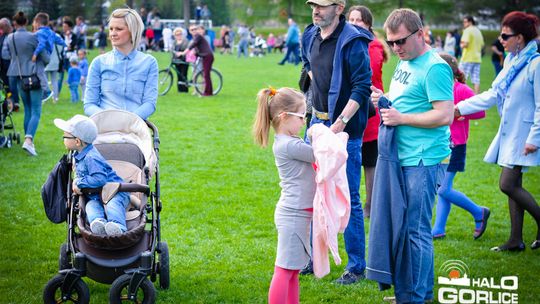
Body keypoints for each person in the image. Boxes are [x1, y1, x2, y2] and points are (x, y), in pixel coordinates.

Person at [368, 8, 453, 303]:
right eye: (391, 43)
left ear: (420, 34)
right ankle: (415, 292)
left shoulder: (435, 67)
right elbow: (410, 102)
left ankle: (414, 296)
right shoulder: (406, 62)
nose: (396, 48)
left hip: (423, 160)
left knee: (416, 231)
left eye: (401, 41)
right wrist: (385, 101)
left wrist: (401, 118)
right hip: (402, 157)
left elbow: (444, 115)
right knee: (405, 229)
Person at [300, 0, 373, 285]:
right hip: (316, 125)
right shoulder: (309, 35)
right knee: (315, 193)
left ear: (338, 7)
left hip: (345, 131)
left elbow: (362, 86)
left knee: (350, 198)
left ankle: (356, 266)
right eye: (313, 6)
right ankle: (313, 258)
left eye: (322, 6)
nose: (316, 11)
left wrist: (340, 121)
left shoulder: (354, 41)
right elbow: (308, 65)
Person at [455, 12, 540, 252]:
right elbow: (493, 94)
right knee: (513, 185)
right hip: (510, 133)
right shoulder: (512, 61)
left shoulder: (535, 64)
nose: (500, 40)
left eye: (505, 35)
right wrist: (459, 108)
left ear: (520, 38)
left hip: (525, 136)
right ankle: (515, 240)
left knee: (508, 184)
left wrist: (534, 139)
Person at [252, 87, 314, 304]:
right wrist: (333, 133)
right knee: (284, 270)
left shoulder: (290, 142)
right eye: (302, 116)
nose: (304, 122)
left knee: (293, 270)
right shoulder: (291, 145)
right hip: (293, 215)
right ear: (284, 117)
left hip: (298, 214)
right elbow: (320, 153)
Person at [431, 52, 490, 240]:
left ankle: (479, 212)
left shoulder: (462, 90)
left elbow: (480, 112)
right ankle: (438, 229)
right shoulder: (437, 88)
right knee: (442, 188)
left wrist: (461, 114)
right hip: (440, 145)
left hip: (456, 145)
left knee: (443, 189)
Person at [54, 114, 130, 235]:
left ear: (77, 141)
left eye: (65, 136)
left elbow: (100, 179)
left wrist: (79, 182)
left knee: (113, 205)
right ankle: (98, 222)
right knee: (91, 207)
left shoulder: (91, 158)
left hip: (115, 193)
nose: (63, 138)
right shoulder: (79, 155)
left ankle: (118, 226)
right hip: (96, 196)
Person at [347, 5, 389, 218]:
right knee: (351, 157)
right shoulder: (353, 43)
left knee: (369, 162)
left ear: (368, 24)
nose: (353, 23)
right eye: (351, 19)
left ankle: (370, 205)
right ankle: (350, 203)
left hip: (369, 112)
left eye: (359, 20)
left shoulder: (372, 46)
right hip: (353, 109)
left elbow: (365, 76)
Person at [84, 8, 158, 120]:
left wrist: (129, 120)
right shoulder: (98, 62)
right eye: (111, 29)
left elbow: (150, 103)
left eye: (119, 29)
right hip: (104, 127)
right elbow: (89, 104)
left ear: (133, 31)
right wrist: (109, 119)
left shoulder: (149, 62)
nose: (112, 33)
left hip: (135, 129)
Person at [2, 11, 50, 156]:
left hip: (17, 76)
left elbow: (5, 55)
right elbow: (45, 58)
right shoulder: (33, 37)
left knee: (27, 109)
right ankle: (29, 141)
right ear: (27, 22)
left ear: (14, 23)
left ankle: (28, 141)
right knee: (36, 109)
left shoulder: (9, 38)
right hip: (34, 76)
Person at [180, 25, 214, 96]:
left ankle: (207, 93)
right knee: (205, 75)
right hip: (205, 56)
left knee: (206, 75)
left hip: (207, 56)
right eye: (192, 30)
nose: (194, 31)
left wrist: (183, 52)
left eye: (195, 29)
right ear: (189, 31)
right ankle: (209, 91)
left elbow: (192, 45)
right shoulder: (196, 37)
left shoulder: (198, 36)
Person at [460, 15, 484, 94]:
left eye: (465, 22)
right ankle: (476, 98)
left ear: (470, 22)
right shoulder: (478, 31)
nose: (464, 23)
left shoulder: (467, 30)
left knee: (461, 78)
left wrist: (461, 45)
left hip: (467, 58)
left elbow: (465, 44)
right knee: (476, 80)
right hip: (477, 58)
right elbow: (482, 45)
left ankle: (462, 96)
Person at [0, 17, 19, 112]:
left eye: (2, 27)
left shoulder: (15, 35)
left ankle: (15, 103)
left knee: (13, 85)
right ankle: (8, 103)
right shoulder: (2, 36)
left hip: (13, 63)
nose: (1, 30)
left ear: (7, 26)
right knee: (6, 85)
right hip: (3, 65)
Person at [57, 19, 79, 95]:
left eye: (65, 26)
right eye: (63, 26)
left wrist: (68, 38)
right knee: (60, 77)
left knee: (72, 76)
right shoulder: (61, 35)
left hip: (71, 58)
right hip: (63, 58)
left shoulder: (74, 35)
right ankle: (56, 95)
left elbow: (72, 45)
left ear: (69, 27)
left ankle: (74, 94)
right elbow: (63, 45)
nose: (64, 28)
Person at [171, 27, 189, 93]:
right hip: (176, 61)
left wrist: (181, 53)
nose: (178, 36)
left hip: (184, 60)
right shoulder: (174, 42)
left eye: (180, 34)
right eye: (177, 34)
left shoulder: (185, 41)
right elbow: (172, 50)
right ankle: (180, 90)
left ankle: (185, 90)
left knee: (184, 74)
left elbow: (187, 49)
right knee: (178, 75)